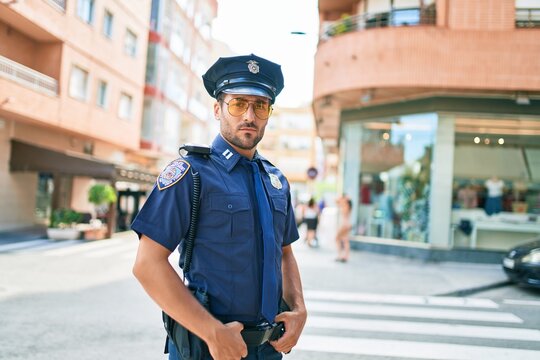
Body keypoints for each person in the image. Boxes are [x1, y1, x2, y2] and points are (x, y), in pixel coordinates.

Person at [131, 54, 307, 360]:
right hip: (206, 348)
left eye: (260, 106)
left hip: (269, 348)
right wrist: (212, 332)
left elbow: (285, 252)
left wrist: (299, 308)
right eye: (238, 104)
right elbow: (147, 264)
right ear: (218, 109)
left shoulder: (276, 180)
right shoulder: (191, 173)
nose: (249, 115)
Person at [335, 195, 352, 262]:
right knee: (345, 240)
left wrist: (344, 199)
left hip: (344, 225)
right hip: (347, 224)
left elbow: (336, 200)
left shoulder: (345, 206)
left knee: (337, 238)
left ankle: (340, 255)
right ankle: (345, 256)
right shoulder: (348, 206)